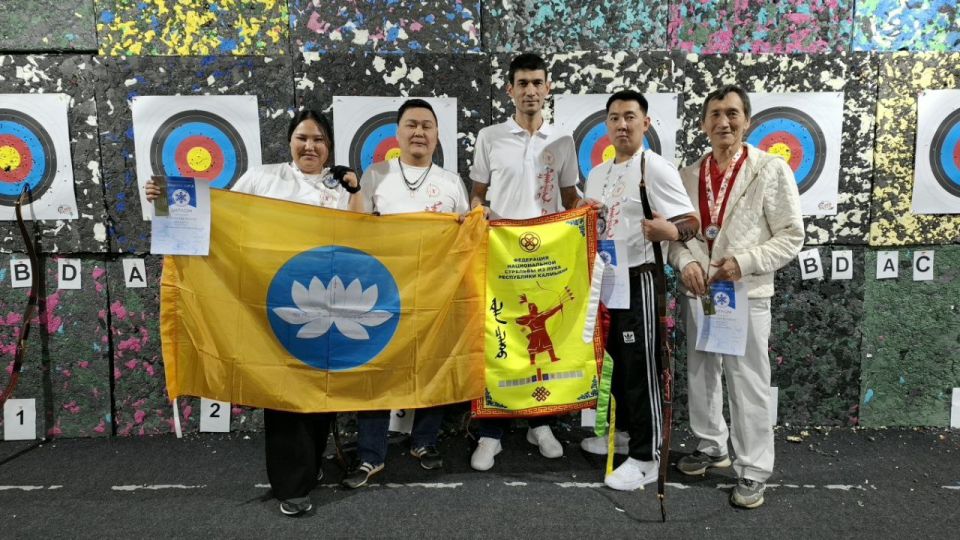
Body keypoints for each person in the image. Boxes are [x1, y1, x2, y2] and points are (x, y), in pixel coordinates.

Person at [146, 109, 360, 517]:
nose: (309, 146)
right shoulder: (264, 177)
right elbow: (222, 215)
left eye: (318, 139)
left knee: (320, 391)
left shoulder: (341, 186)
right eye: (302, 137)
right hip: (275, 301)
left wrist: (356, 186)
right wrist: (169, 204)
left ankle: (311, 466)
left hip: (328, 302)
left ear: (329, 146)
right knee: (284, 393)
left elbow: (367, 233)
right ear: (289, 142)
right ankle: (290, 486)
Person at [668, 85, 804, 508]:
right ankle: (711, 445)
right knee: (700, 371)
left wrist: (742, 263)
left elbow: (791, 237)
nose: (723, 122)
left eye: (732, 113)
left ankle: (754, 469)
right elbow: (679, 235)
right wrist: (685, 262)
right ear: (704, 122)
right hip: (701, 291)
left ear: (747, 120)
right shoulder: (688, 174)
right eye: (714, 114)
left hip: (745, 291)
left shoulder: (770, 169)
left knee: (748, 381)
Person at [342, 98, 470, 489]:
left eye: (426, 126)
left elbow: (465, 236)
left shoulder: (451, 183)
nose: (419, 132)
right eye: (411, 124)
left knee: (433, 367)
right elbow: (356, 226)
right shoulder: (376, 175)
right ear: (397, 133)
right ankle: (370, 455)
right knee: (376, 371)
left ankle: (424, 441)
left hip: (436, 293)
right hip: (383, 291)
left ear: (436, 134)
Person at [576, 90, 699, 491]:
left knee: (643, 369)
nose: (622, 125)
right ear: (606, 124)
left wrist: (670, 231)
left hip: (642, 278)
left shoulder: (655, 167)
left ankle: (646, 457)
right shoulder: (597, 173)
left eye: (630, 117)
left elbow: (690, 221)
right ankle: (626, 434)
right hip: (607, 281)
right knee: (618, 365)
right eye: (614, 118)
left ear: (645, 123)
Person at [468, 52, 584, 471]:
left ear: (548, 87)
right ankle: (490, 433)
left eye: (538, 82)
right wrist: (478, 215)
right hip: (500, 256)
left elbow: (570, 197)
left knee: (544, 342)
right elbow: (478, 194)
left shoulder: (563, 140)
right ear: (510, 90)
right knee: (498, 337)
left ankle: (541, 424)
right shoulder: (489, 136)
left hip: (548, 256)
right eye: (523, 83)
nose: (531, 90)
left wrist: (587, 211)